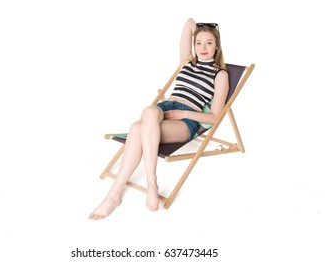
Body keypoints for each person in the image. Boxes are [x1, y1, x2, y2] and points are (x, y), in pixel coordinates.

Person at [89, 18, 229, 220]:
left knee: (137, 129)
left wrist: (184, 114)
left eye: (209, 42)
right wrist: (202, 28)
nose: (203, 47)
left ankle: (117, 194)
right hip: (164, 108)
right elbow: (189, 22)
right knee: (149, 111)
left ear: (217, 46)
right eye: (198, 42)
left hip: (185, 120)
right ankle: (147, 183)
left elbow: (215, 117)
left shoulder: (220, 74)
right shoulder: (187, 61)